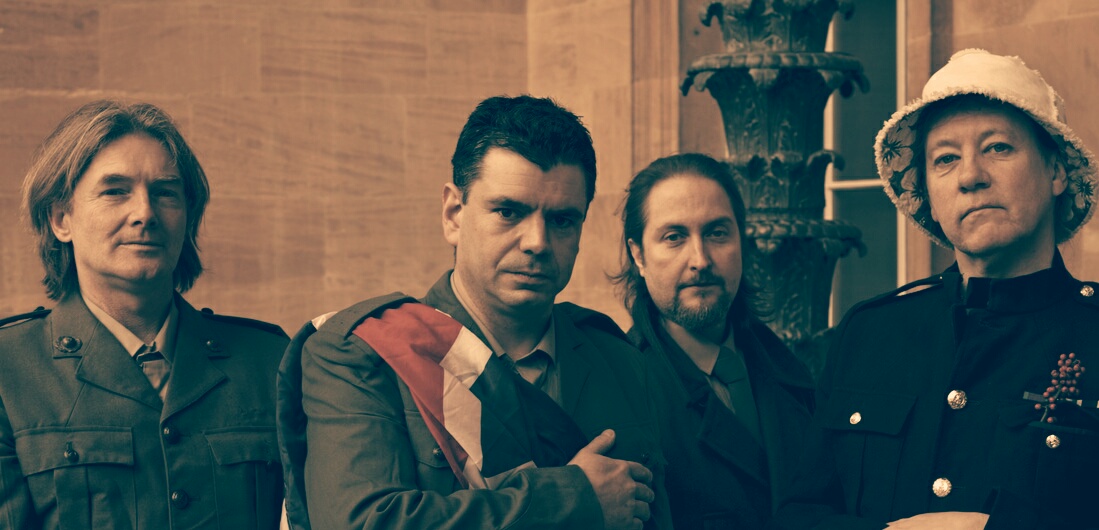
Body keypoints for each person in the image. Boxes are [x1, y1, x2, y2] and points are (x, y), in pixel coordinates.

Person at [278, 95, 670, 530]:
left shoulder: (618, 359)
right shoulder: (360, 354)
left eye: (562, 220)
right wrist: (573, 499)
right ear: (453, 214)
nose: (537, 242)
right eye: (508, 212)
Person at [772, 49, 1099, 529]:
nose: (971, 177)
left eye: (998, 148)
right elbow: (799, 516)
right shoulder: (870, 332)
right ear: (927, 191)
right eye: (946, 159)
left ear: (1056, 171)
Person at [0, 100, 289, 529]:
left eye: (165, 192)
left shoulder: (270, 360)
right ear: (61, 219)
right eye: (115, 191)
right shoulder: (8, 369)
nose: (145, 214)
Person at [614, 153, 815, 529]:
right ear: (638, 255)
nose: (700, 259)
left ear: (742, 241)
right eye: (674, 237)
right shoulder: (622, 394)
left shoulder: (791, 369)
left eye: (717, 233)